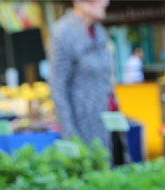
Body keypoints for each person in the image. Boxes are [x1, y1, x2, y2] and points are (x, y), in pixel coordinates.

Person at [49, 0, 115, 150]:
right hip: (82, 126)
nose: (105, 3)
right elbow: (58, 87)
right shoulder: (63, 32)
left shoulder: (99, 31)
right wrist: (70, 135)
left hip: (108, 123)